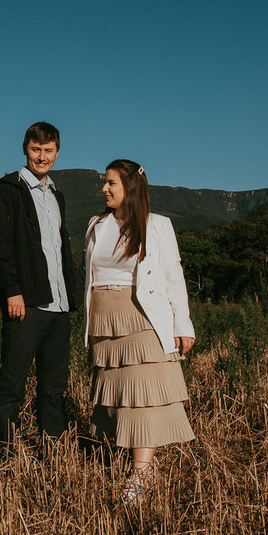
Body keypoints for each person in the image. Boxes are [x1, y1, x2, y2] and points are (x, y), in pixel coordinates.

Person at [83, 159, 195, 504]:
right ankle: (134, 462)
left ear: (129, 188)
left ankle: (141, 473)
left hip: (142, 317)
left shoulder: (157, 225)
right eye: (105, 182)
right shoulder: (95, 225)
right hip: (104, 319)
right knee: (118, 396)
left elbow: (173, 277)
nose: (105, 188)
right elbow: (85, 276)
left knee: (142, 397)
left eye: (112, 183)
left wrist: (182, 324)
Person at [0, 121, 79, 451]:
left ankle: (51, 450)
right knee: (12, 384)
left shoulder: (57, 196)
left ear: (57, 152)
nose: (42, 156)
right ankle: (3, 453)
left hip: (59, 306)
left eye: (48, 150)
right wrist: (11, 290)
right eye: (36, 149)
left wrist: (72, 295)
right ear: (26, 148)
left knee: (53, 386)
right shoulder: (8, 190)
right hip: (26, 304)